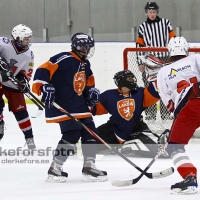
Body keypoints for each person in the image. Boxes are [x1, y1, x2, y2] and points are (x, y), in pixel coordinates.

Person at [32, 32, 107, 183]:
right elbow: (42, 71)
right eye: (84, 47)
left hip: (79, 104)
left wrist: (90, 92)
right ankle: (55, 168)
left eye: (88, 47)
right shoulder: (63, 58)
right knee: (71, 133)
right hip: (62, 103)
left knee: (91, 131)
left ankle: (89, 166)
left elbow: (88, 82)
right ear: (76, 46)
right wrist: (43, 87)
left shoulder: (86, 64)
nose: (86, 50)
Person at [91, 69, 167, 158]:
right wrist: (85, 99)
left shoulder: (141, 92)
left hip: (136, 128)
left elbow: (156, 90)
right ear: (122, 80)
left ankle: (160, 144)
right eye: (130, 78)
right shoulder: (109, 95)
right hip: (114, 128)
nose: (133, 80)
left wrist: (159, 74)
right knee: (90, 140)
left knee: (153, 146)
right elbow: (94, 109)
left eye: (133, 78)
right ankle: (126, 145)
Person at [157, 36, 198, 194]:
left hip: (188, 108)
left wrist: (177, 123)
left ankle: (189, 179)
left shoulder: (163, 72)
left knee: (175, 147)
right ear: (186, 49)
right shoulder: (195, 58)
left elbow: (169, 103)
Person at [136, 2, 176, 121]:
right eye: (150, 12)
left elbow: (173, 40)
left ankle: (166, 113)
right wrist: (140, 62)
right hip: (149, 61)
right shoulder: (142, 26)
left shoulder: (166, 23)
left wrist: (174, 58)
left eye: (153, 12)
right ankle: (151, 114)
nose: (152, 14)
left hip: (165, 60)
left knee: (166, 87)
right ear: (146, 13)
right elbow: (139, 45)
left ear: (157, 12)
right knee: (149, 88)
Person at [0, 24, 36, 149]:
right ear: (18, 37)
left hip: (12, 83)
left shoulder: (29, 54)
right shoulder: (3, 43)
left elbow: (26, 72)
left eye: (29, 38)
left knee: (21, 110)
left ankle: (29, 137)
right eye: (26, 38)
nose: (28, 41)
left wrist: (23, 81)